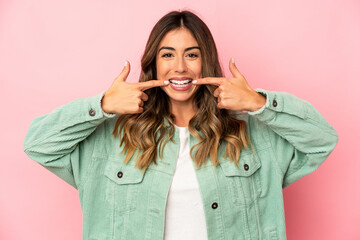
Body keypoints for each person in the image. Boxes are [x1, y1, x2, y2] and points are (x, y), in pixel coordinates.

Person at [24, 10, 338, 240]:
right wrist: (103, 105)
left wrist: (257, 102)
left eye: (191, 54)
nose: (179, 67)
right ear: (153, 63)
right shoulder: (114, 137)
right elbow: (38, 144)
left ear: (206, 61)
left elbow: (322, 139)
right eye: (167, 54)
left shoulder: (251, 134)